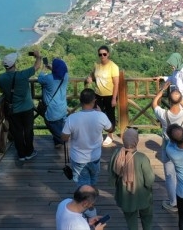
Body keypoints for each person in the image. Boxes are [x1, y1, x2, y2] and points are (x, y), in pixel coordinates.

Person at [62, 88, 113, 219]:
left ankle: (87, 210)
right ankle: (90, 207)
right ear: (94, 101)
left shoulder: (72, 118)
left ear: (80, 102)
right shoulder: (100, 116)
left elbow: (64, 137)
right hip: (95, 156)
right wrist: (101, 113)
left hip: (78, 158)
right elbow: (111, 128)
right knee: (92, 182)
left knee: (82, 185)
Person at [153, 88, 183, 213]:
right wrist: (180, 100)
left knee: (170, 175)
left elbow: (154, 104)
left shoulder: (163, 114)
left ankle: (174, 203)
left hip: (169, 146)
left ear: (169, 101)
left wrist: (160, 92)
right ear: (181, 100)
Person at [0, 51, 41, 161]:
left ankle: (21, 154)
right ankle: (29, 152)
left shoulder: (1, 78)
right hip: (27, 108)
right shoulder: (22, 75)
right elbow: (37, 66)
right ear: (14, 64)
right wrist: (38, 56)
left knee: (17, 132)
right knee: (28, 131)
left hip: (13, 110)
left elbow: (2, 90)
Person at [108, 128, 154, 230]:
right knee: (147, 218)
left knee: (130, 221)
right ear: (136, 141)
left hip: (125, 196)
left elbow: (111, 178)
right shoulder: (142, 157)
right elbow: (149, 180)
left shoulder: (116, 154)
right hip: (143, 196)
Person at [86, 45, 119, 147]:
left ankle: (110, 135)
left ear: (108, 54)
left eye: (104, 54)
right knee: (97, 115)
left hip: (109, 95)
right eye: (100, 54)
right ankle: (99, 135)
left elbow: (116, 83)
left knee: (109, 115)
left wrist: (114, 98)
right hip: (98, 94)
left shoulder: (113, 66)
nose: (102, 56)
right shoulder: (97, 66)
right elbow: (92, 75)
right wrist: (90, 78)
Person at [38, 57, 69, 148]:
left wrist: (44, 68)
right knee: (60, 125)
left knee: (51, 124)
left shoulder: (48, 78)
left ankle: (61, 140)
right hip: (63, 108)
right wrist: (52, 68)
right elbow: (60, 72)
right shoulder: (66, 76)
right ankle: (58, 142)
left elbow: (40, 78)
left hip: (52, 110)